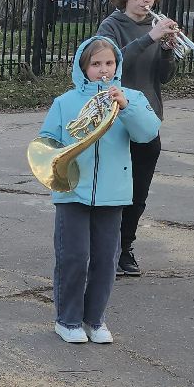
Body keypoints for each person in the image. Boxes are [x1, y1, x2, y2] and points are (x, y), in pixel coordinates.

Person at [37, 36, 161, 344]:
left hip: (113, 191)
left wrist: (126, 107)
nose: (103, 70)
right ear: (83, 68)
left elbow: (148, 133)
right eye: (95, 64)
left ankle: (95, 319)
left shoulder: (131, 98)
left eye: (109, 63)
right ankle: (67, 320)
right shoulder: (65, 102)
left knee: (106, 260)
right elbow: (47, 141)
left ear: (117, 65)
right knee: (74, 257)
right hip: (71, 191)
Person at [94, 0, 180, 279]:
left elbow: (164, 77)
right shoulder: (111, 26)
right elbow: (109, 66)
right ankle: (105, 247)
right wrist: (150, 38)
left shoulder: (155, 28)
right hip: (115, 120)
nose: (147, 0)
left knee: (138, 192)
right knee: (112, 189)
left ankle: (125, 247)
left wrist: (167, 50)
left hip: (147, 118)